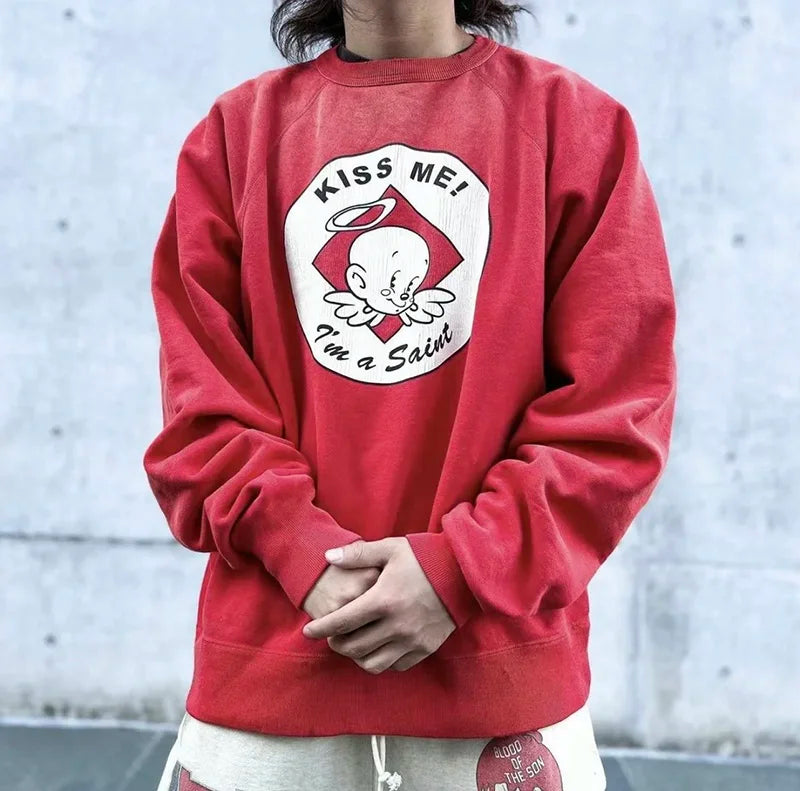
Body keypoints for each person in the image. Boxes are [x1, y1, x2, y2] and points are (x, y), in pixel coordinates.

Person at [143, 1, 677, 789]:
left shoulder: (575, 127)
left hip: (496, 689)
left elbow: (614, 414)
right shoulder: (234, 136)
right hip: (272, 689)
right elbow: (201, 413)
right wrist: (301, 551)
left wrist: (462, 568)